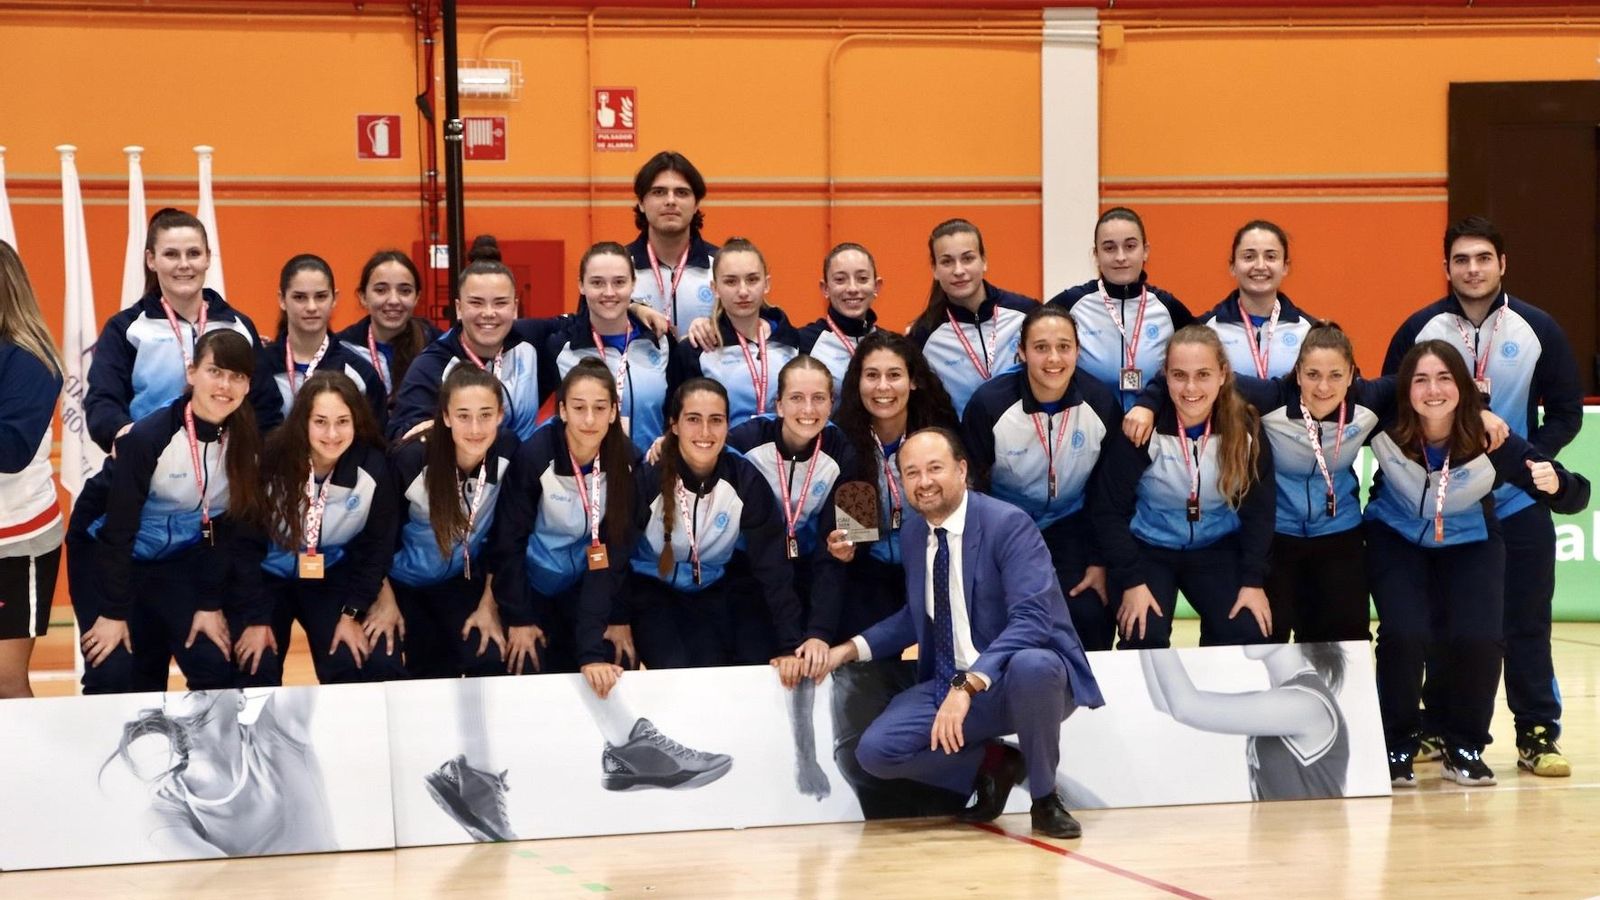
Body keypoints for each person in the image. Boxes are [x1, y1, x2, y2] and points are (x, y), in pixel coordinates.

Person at [817, 428, 1105, 839]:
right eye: (911, 472)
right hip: (955, 681)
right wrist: (846, 650)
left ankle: (1045, 799)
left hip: (1020, 679)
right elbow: (914, 617)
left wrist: (967, 685)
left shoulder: (1008, 524)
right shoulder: (915, 533)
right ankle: (994, 764)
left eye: (935, 468)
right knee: (875, 752)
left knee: (1034, 664)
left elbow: (1032, 621)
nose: (924, 481)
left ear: (962, 470)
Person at [1382, 215, 1584, 778]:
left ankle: (1537, 733)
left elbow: (1567, 413)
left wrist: (1523, 460)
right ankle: (1438, 728)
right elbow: (1395, 408)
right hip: (1446, 503)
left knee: (1525, 623)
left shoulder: (1537, 327)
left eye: (1483, 258)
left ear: (1503, 263)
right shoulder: (1419, 329)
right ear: (1446, 266)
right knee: (1451, 625)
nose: (1473, 269)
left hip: (1516, 504)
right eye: (1461, 259)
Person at [490, 359, 733, 795]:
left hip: (590, 585)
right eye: (578, 408)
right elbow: (507, 544)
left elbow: (619, 551)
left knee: (612, 658)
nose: (588, 419)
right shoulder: (534, 456)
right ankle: (532, 774)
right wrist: (519, 616)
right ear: (561, 410)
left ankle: (622, 761)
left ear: (613, 411)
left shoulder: (628, 459)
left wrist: (612, 621)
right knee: (526, 661)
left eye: (599, 408)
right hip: (534, 588)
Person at [69, 330, 274, 694]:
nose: (225, 385)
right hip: (107, 553)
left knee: (213, 660)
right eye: (215, 371)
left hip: (177, 560)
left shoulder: (246, 446)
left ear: (247, 386)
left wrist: (210, 603)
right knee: (112, 670)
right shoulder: (148, 438)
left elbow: (227, 530)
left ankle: (207, 751)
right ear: (192, 372)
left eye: (237, 376)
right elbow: (117, 529)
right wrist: (114, 612)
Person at [818, 329, 965, 818]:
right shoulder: (843, 440)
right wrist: (842, 546)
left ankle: (956, 772)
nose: (883, 386)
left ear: (914, 382)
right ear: (856, 382)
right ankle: (881, 780)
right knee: (865, 665)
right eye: (872, 375)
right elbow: (852, 531)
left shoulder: (939, 435)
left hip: (935, 567)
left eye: (894, 375)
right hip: (869, 572)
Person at [1092, 325, 1276, 649]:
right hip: (1149, 548)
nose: (1191, 388)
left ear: (1223, 374)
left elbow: (1259, 511)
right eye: (1179, 375)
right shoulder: (1141, 429)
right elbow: (1108, 510)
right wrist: (1132, 580)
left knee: (1247, 629)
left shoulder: (1244, 427)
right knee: (1142, 632)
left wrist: (1252, 580)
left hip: (1216, 546)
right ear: (1165, 376)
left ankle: (1217, 697)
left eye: (1203, 374)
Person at [728, 355, 857, 798]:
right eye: (796, 398)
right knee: (761, 652)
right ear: (777, 404)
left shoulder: (845, 449)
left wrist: (819, 632)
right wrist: (789, 641)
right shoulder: (741, 441)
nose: (808, 409)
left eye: (819, 398)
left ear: (832, 403)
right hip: (747, 572)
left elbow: (848, 546)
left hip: (814, 566)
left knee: (825, 649)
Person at [626, 379, 813, 680]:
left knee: (714, 669)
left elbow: (773, 565)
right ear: (673, 425)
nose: (704, 432)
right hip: (651, 590)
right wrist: (616, 618)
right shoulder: (650, 476)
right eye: (693, 420)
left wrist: (790, 644)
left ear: (728, 425)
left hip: (710, 588)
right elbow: (617, 552)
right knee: (673, 670)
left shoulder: (744, 479)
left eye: (716, 420)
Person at [962, 305, 1122, 650]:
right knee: (1005, 617)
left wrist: (1098, 560)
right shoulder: (989, 405)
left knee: (1091, 611)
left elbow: (1107, 491)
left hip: (1072, 523)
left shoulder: (1100, 403)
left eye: (1064, 347)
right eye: (1041, 347)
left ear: (1078, 351)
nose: (1053, 359)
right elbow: (972, 488)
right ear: (1021, 352)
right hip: (1005, 525)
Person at [85, 207, 282, 451]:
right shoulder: (126, 329)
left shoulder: (238, 326)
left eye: (194, 253)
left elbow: (266, 407)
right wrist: (124, 438)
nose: (184, 264)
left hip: (227, 479)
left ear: (208, 258)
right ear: (151, 260)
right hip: (149, 476)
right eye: (171, 254)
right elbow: (103, 403)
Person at [259, 371, 402, 684]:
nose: (332, 434)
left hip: (331, 573)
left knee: (355, 659)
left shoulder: (373, 468)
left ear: (357, 422)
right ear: (302, 422)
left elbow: (376, 548)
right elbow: (242, 542)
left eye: (343, 421)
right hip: (266, 577)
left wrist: (351, 612)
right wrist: (253, 617)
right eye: (320, 421)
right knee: (256, 662)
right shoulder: (269, 461)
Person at [386, 364, 521, 679]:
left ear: (501, 415)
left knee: (489, 655)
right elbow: (376, 539)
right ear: (445, 417)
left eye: (486, 415)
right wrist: (383, 601)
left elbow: (507, 536)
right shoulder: (411, 460)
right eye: (463, 416)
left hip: (462, 581)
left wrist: (489, 606)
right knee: (421, 668)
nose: (475, 428)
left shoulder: (509, 451)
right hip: (401, 585)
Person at [101, 690, 335, 858]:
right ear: (167, 710)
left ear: (241, 699)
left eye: (212, 669)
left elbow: (315, 657)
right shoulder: (165, 810)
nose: (193, 676)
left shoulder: (279, 732)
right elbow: (224, 882)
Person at [1141, 644, 1350, 801]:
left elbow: (1186, 707)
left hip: (1312, 855)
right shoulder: (1284, 700)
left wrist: (1156, 628)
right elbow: (1165, 700)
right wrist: (1142, 623)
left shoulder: (1305, 703)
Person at [1048, 206, 1195, 411]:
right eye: (1109, 248)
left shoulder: (1168, 308)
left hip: (1152, 430)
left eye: (1130, 246)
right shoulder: (1070, 305)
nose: (1120, 257)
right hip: (1089, 433)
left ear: (1145, 251)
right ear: (1096, 254)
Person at [0, 241, 65, 698]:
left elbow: (10, 449)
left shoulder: (31, 360)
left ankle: (20, 772)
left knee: (4, 680)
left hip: (15, 539)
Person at [547, 241, 684, 455]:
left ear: (633, 284)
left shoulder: (660, 341)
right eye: (597, 283)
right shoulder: (560, 347)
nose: (609, 292)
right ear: (581, 285)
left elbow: (680, 412)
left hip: (651, 473)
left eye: (619, 282)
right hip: (587, 478)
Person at [908, 218, 1038, 415]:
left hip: (1028, 438)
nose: (959, 271)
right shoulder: (923, 335)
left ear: (984, 261)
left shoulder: (1026, 313)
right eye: (947, 261)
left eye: (968, 258)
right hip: (962, 443)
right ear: (934, 269)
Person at [677, 237, 801, 428]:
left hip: (780, 456)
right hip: (722, 454)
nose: (743, 291)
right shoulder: (695, 350)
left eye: (752, 280)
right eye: (731, 281)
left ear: (766, 284)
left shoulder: (793, 342)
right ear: (715, 288)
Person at [262, 254, 386, 425]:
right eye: (299, 297)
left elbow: (374, 442)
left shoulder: (360, 373)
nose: (311, 307)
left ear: (334, 299)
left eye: (320, 296)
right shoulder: (260, 367)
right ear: (282, 299)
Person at [1199, 221, 1317, 379]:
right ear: (1232, 266)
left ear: (1285, 267)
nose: (1260, 265)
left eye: (1271, 257)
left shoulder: (1311, 331)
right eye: (1249, 257)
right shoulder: (1205, 330)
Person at [627, 151, 720, 334]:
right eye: (659, 192)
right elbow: (586, 327)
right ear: (641, 203)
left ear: (696, 205)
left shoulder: (721, 265)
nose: (670, 201)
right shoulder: (616, 266)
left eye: (681, 193)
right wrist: (632, 309)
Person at [335, 249, 442, 399]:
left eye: (405, 291)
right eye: (381, 290)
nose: (393, 300)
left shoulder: (438, 346)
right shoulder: (340, 348)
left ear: (417, 297)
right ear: (363, 297)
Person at [796, 242, 882, 401]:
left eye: (862, 278)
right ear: (825, 288)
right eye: (840, 279)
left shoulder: (889, 344)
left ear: (877, 286)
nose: (852, 288)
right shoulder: (803, 343)